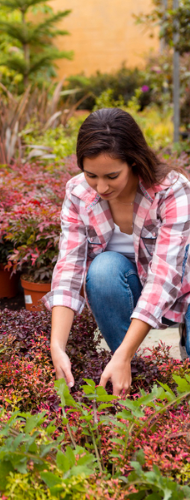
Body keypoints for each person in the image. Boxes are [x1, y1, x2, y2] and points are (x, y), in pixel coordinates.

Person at [43, 107, 190, 396]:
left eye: (111, 176)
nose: (100, 187)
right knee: (104, 269)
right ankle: (133, 375)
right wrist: (56, 346)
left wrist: (120, 355)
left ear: (134, 162)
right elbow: (69, 269)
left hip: (183, 288)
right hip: (130, 285)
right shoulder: (78, 193)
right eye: (91, 175)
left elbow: (164, 278)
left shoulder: (171, 191)